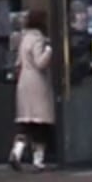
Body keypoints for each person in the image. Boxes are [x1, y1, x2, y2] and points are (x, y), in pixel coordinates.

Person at [10, 9, 55, 170]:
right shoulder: (38, 39)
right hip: (37, 82)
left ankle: (17, 151)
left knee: (25, 121)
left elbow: (18, 62)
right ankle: (38, 160)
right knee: (40, 122)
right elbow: (40, 63)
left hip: (24, 81)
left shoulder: (23, 38)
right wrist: (49, 50)